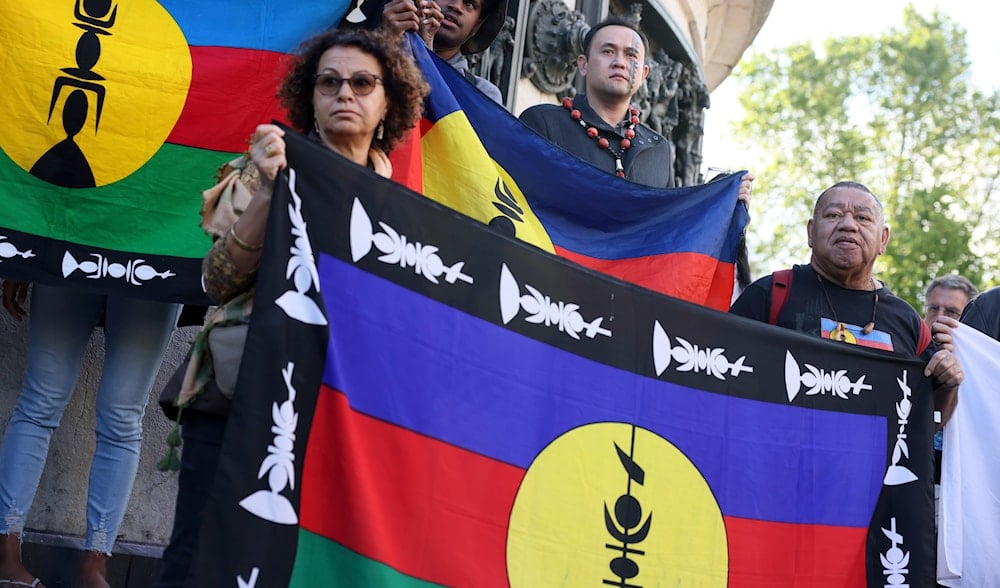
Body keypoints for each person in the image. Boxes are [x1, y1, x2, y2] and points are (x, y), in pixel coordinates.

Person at [153, 27, 429, 586]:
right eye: (329, 83)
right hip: (239, 394)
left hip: (336, 418)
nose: (343, 94)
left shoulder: (405, 207)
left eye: (361, 83)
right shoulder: (267, 167)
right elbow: (216, 283)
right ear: (310, 96)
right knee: (196, 559)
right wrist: (266, 193)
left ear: (387, 103)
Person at [730, 181, 963, 420]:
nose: (848, 225)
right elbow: (720, 385)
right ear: (811, 232)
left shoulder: (909, 323)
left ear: (883, 239)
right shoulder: (770, 295)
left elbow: (925, 425)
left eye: (863, 218)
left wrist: (948, 384)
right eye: (833, 215)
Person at [0, 283, 181, 588]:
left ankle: (93, 568)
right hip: (85, 244)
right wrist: (23, 256)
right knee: (46, 404)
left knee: (116, 417)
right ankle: (8, 558)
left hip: (151, 252)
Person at [518, 16, 753, 200]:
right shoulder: (543, 124)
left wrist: (719, 200)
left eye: (631, 55)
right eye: (608, 51)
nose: (619, 62)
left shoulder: (659, 149)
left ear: (643, 75)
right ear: (583, 64)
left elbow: (665, 228)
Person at [354, 0, 507, 103]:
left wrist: (425, 56)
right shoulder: (367, 45)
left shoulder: (482, 94)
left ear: (477, 26)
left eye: (469, 3)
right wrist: (384, 40)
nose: (456, 6)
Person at [922, 274, 978, 485]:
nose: (939, 318)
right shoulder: (906, 354)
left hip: (966, 485)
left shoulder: (982, 367)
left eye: (952, 312)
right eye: (933, 308)